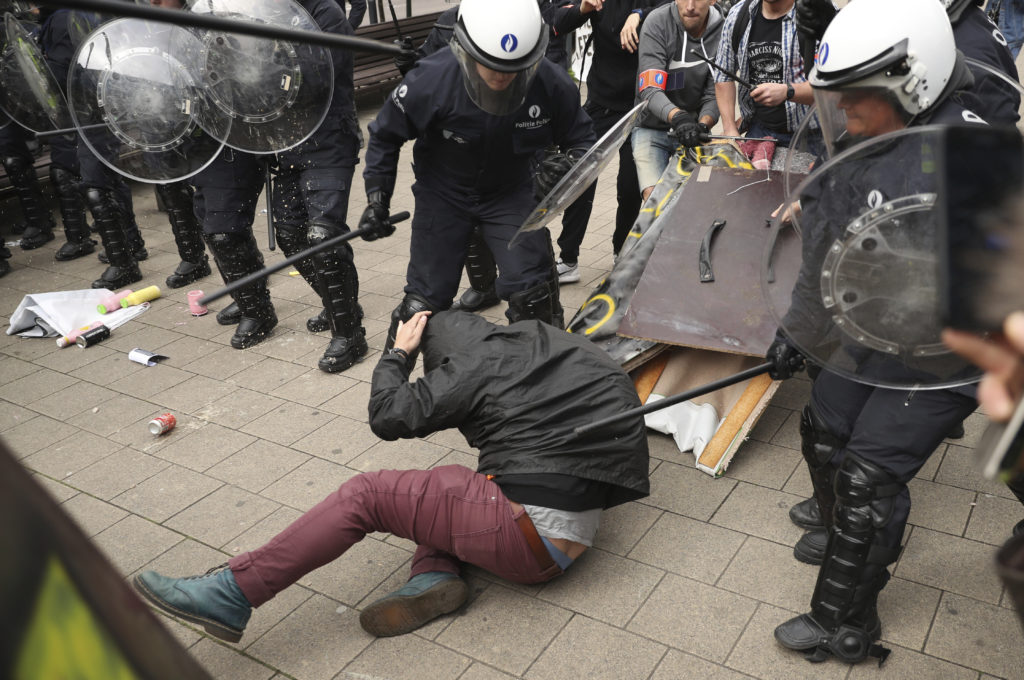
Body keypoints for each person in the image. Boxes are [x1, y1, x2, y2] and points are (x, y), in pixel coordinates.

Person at [132, 310, 650, 640]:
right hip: (569, 532)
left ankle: (231, 594)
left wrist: (399, 354)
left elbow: (389, 415)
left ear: (452, 357)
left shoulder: (472, 366)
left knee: (370, 494)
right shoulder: (556, 345)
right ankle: (436, 576)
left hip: (527, 539)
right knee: (447, 484)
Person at [762, 0, 988, 664]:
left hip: (952, 348)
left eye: (856, 102)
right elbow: (826, 248)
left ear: (911, 82)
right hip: (881, 329)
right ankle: (843, 542)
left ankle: (846, 624)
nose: (845, 116)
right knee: (823, 428)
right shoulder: (866, 144)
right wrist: (797, 334)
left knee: (866, 480)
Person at [361, 0, 595, 344]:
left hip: (512, 190)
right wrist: (376, 199)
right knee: (421, 304)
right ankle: (398, 385)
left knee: (534, 291)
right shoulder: (430, 79)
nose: (501, 77)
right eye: (491, 67)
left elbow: (585, 140)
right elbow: (384, 134)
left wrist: (566, 169)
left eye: (514, 69)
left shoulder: (551, 82)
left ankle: (545, 379)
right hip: (443, 191)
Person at [550, 0, 663, 280]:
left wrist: (639, 16)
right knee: (580, 176)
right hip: (600, 102)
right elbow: (557, 23)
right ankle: (568, 259)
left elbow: (675, 10)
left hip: (639, 107)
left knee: (629, 187)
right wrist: (584, 9)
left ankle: (620, 251)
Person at [632, 0, 724, 201]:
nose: (690, 6)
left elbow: (715, 92)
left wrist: (703, 124)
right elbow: (650, 88)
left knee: (691, 203)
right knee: (655, 201)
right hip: (651, 127)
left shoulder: (724, 30)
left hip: (694, 131)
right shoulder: (656, 22)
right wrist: (679, 118)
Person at [713, 0, 813, 147]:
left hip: (812, 135)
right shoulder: (739, 15)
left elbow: (834, 86)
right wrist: (730, 128)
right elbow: (723, 74)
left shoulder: (818, 15)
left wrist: (788, 91)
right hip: (759, 131)